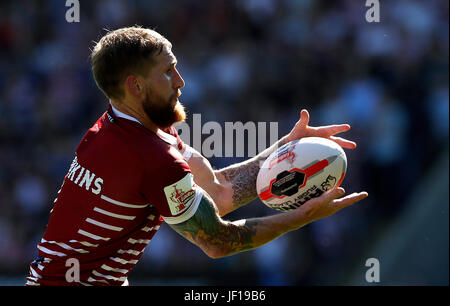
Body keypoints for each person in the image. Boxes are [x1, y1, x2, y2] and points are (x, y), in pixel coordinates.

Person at [26, 26, 368, 286]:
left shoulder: (126, 124)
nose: (181, 81)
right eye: (167, 71)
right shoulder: (151, 157)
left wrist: (283, 151)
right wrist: (301, 216)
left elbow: (217, 191)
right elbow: (218, 241)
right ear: (136, 86)